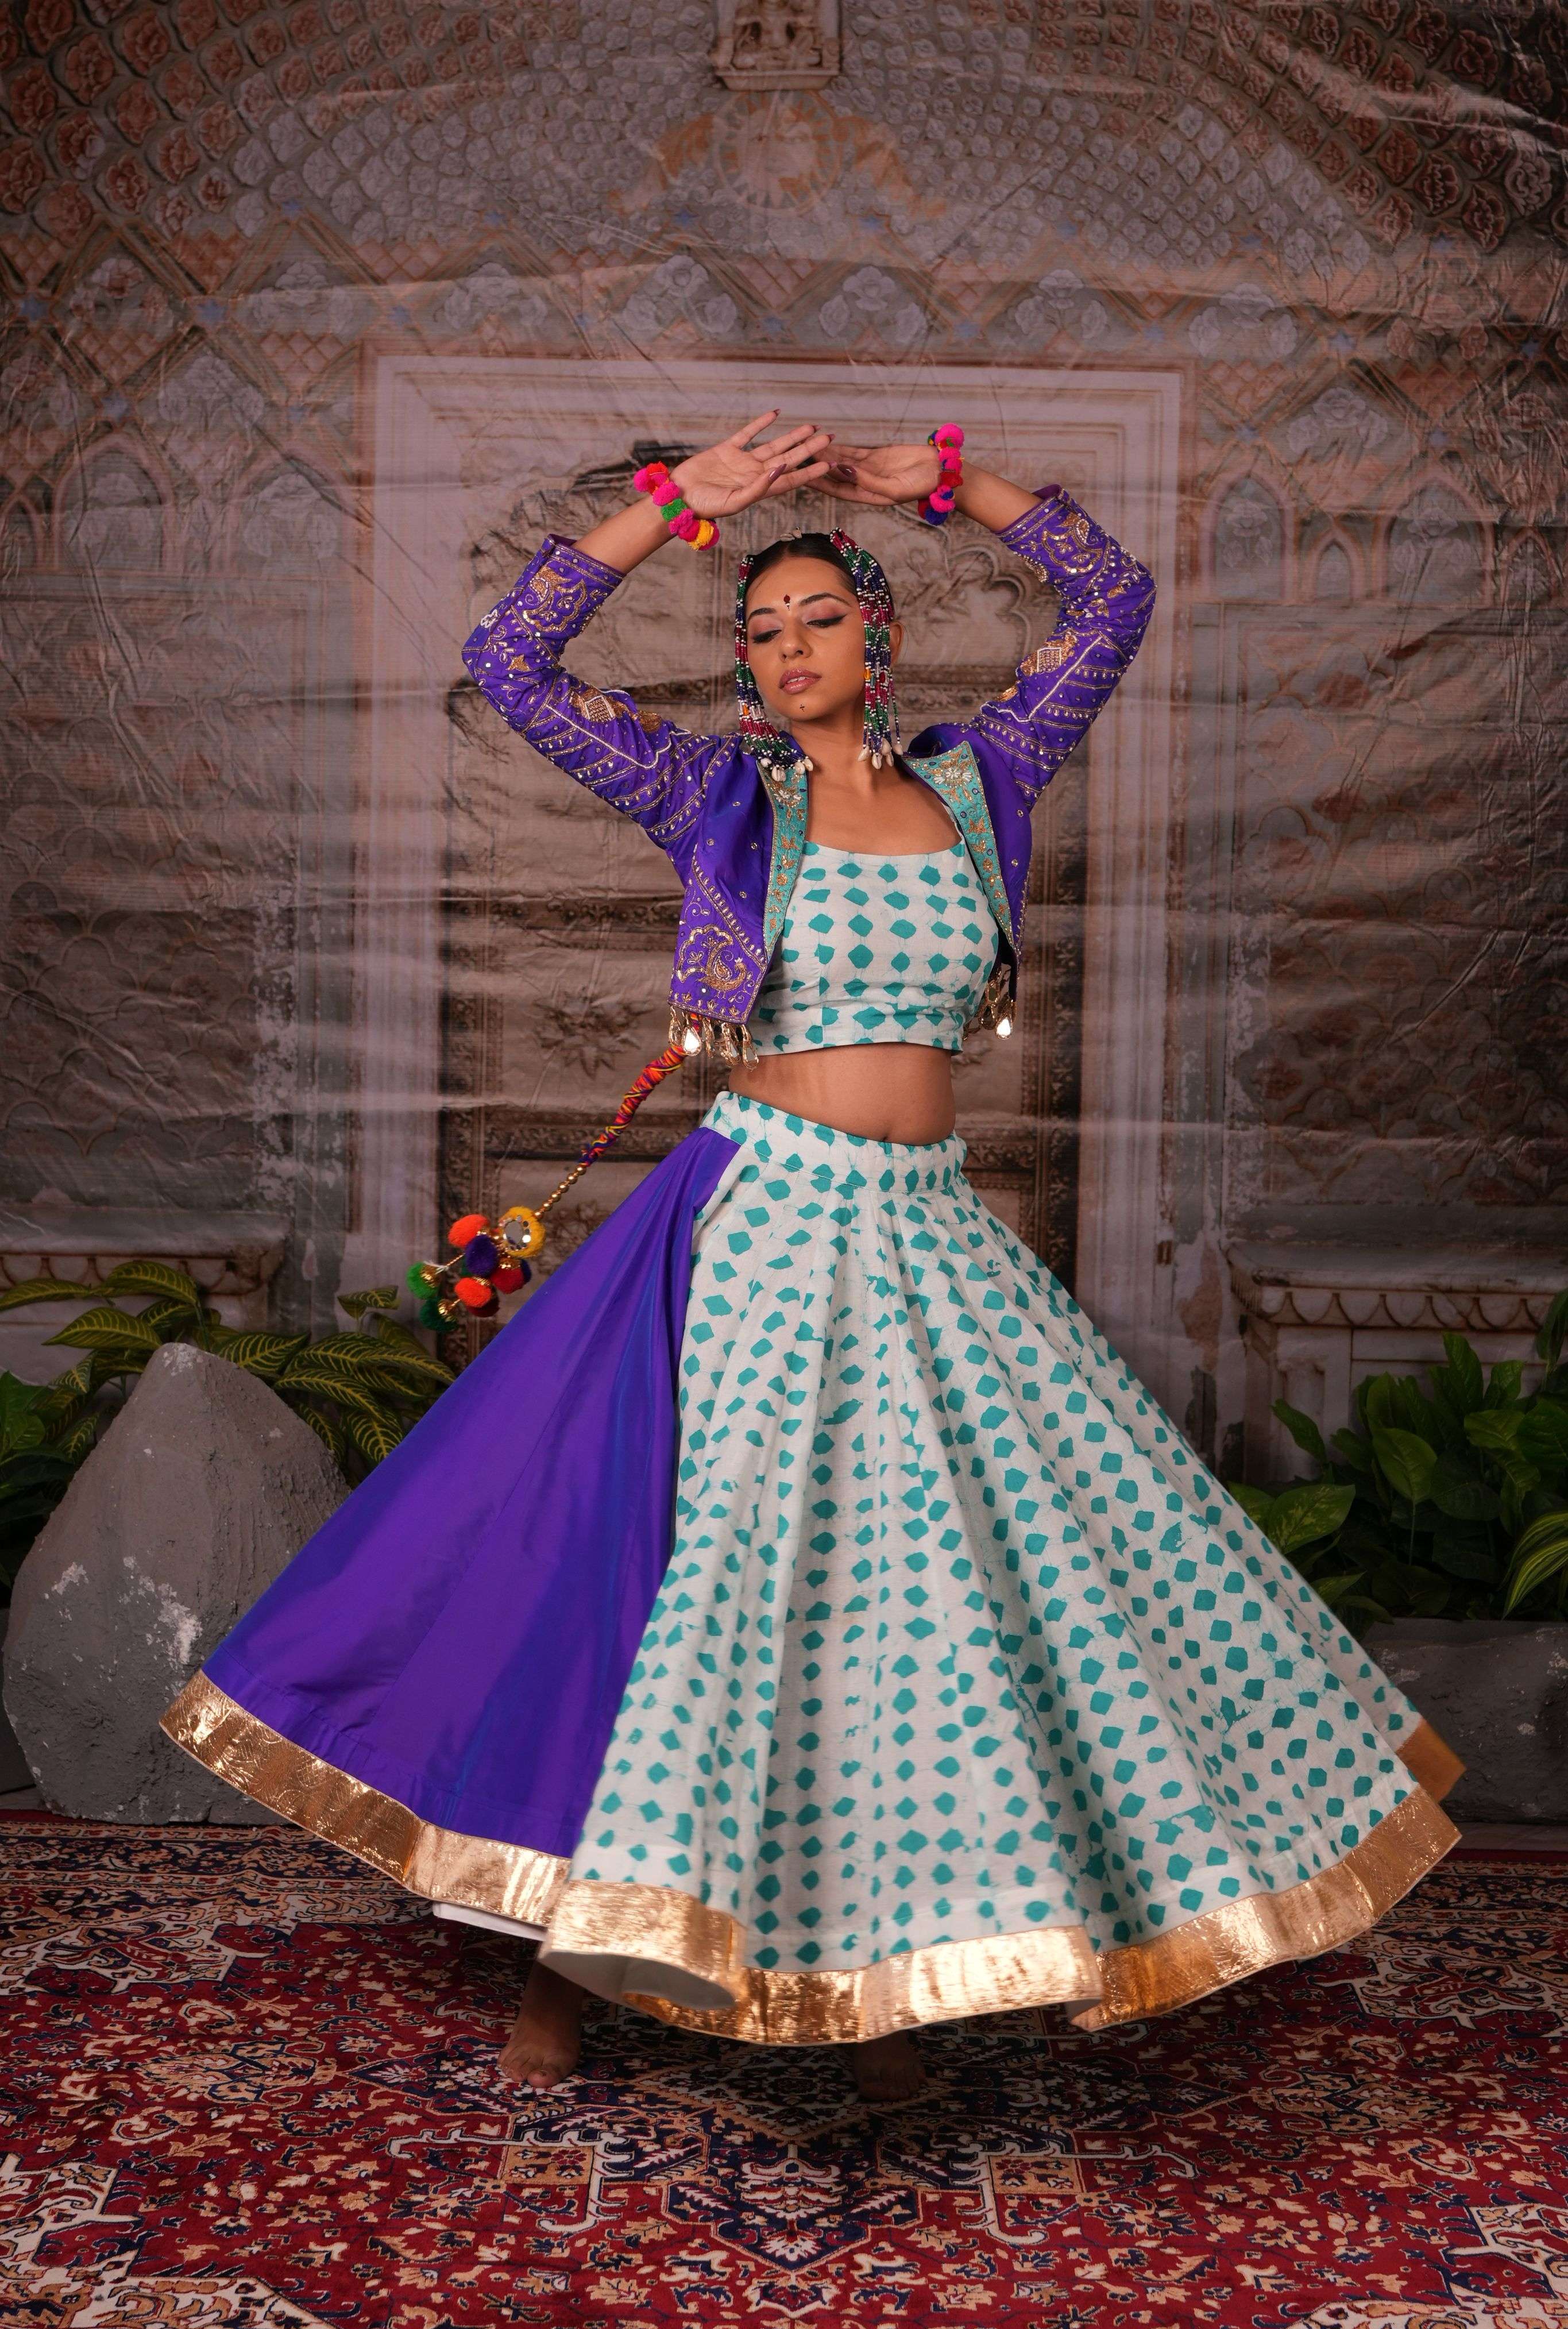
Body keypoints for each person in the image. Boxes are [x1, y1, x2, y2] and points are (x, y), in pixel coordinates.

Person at [163, 410, 1462, 2107]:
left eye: (818, 619)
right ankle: (573, 1961)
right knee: (731, 1599)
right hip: (772, 1226)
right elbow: (511, 664)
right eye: (760, 629)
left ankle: (877, 1987)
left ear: (879, 635)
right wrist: (668, 505)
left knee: (928, 1615)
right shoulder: (717, 796)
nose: (787, 650)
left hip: (932, 1232)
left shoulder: (983, 780)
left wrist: (950, 486)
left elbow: (1114, 598)